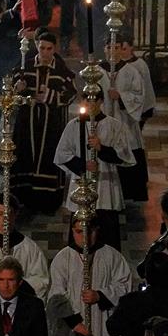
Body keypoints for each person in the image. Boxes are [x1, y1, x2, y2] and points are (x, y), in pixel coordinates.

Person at [54, 89, 135, 250]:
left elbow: (125, 156)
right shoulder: (74, 125)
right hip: (81, 185)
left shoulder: (114, 126)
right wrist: (83, 166)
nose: (88, 105)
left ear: (100, 102)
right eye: (85, 100)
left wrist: (101, 148)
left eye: (92, 100)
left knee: (107, 233)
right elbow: (61, 154)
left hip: (106, 188)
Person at [10, 31, 76, 214]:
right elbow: (14, 87)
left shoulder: (61, 70)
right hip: (27, 122)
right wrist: (19, 88)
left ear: (54, 49)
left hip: (51, 124)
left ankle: (48, 201)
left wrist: (49, 96)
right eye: (42, 48)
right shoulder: (26, 65)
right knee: (25, 155)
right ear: (37, 46)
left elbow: (70, 94)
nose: (45, 53)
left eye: (49, 49)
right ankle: (24, 197)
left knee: (48, 156)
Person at [100, 30, 149, 201]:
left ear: (122, 49)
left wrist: (121, 97)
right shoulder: (97, 71)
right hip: (104, 123)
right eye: (109, 47)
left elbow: (139, 96)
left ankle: (128, 194)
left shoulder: (131, 71)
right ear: (104, 49)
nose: (112, 51)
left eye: (116, 47)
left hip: (125, 122)